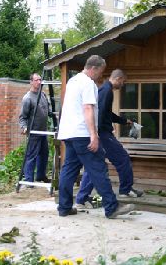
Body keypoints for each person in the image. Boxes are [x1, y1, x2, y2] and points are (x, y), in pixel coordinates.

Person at [57, 55, 134, 218]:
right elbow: (88, 109)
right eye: (100, 71)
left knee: (69, 169)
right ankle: (111, 207)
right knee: (99, 168)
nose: (101, 75)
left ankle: (64, 207)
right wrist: (93, 135)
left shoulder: (72, 81)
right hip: (82, 134)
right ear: (94, 68)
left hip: (68, 133)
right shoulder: (88, 83)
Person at [76, 69, 143, 208]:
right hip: (103, 134)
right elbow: (98, 114)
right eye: (123, 82)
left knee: (94, 165)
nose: (123, 85)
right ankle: (125, 190)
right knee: (122, 158)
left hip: (100, 133)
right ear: (118, 78)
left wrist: (124, 121)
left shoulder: (104, 90)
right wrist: (97, 134)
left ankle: (81, 199)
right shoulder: (106, 91)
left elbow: (106, 113)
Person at [19, 73, 50, 184]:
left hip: (43, 131)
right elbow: (23, 117)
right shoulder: (27, 98)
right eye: (36, 80)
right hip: (33, 132)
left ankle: (40, 176)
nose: (39, 82)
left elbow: (47, 111)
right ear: (31, 82)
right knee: (31, 155)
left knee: (44, 154)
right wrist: (24, 127)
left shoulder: (43, 95)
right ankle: (29, 180)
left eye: (40, 80)